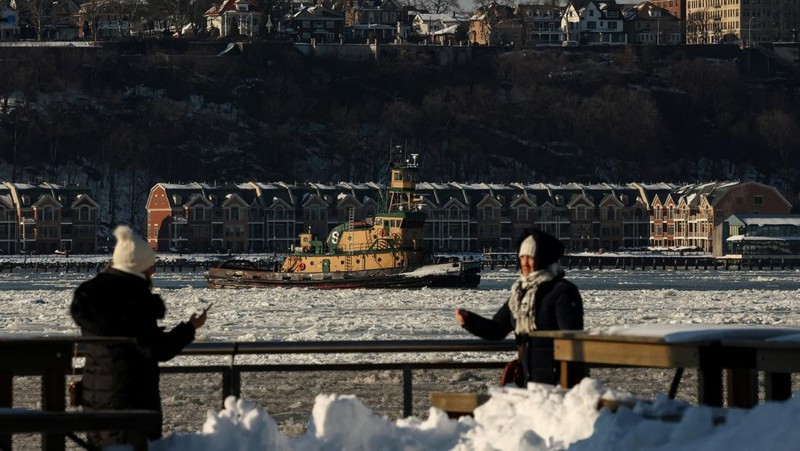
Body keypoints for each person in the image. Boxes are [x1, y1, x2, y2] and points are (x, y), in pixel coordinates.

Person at [70, 225, 209, 449]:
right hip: (131, 400)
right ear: (139, 268)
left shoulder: (92, 296)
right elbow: (155, 349)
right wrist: (190, 328)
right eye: (150, 266)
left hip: (96, 395)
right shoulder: (133, 300)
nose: (153, 271)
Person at [456, 229, 583, 386]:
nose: (524, 262)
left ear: (543, 259)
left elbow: (572, 340)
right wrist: (469, 320)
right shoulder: (520, 294)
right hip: (527, 380)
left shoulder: (563, 291)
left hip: (557, 382)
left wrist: (565, 382)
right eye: (522, 257)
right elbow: (497, 329)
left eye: (530, 257)